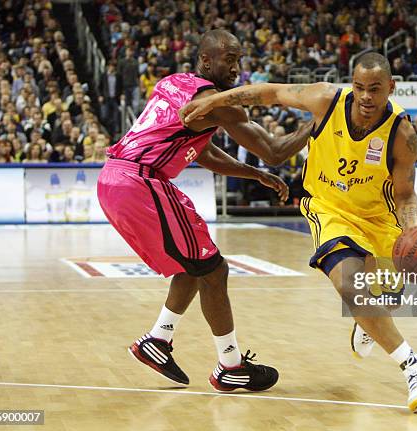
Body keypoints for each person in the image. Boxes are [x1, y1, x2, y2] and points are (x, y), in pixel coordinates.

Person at [181, 52, 417, 412]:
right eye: (360, 87)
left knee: (382, 297)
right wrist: (217, 99)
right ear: (352, 84)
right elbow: (269, 93)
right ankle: (415, 366)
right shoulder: (324, 98)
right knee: (349, 285)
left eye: (375, 89)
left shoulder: (402, 134)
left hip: (380, 218)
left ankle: (371, 319)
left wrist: (414, 231)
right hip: (329, 209)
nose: (366, 97)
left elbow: (405, 194)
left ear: (391, 88)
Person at [98, 30, 312, 392]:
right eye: (230, 59)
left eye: (239, 59)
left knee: (195, 265)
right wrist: (320, 119)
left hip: (119, 181)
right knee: (214, 270)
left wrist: (254, 173)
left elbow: (203, 152)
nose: (237, 67)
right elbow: (276, 150)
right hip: (140, 183)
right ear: (206, 60)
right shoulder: (219, 103)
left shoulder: (174, 83)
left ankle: (158, 340)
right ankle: (230, 366)